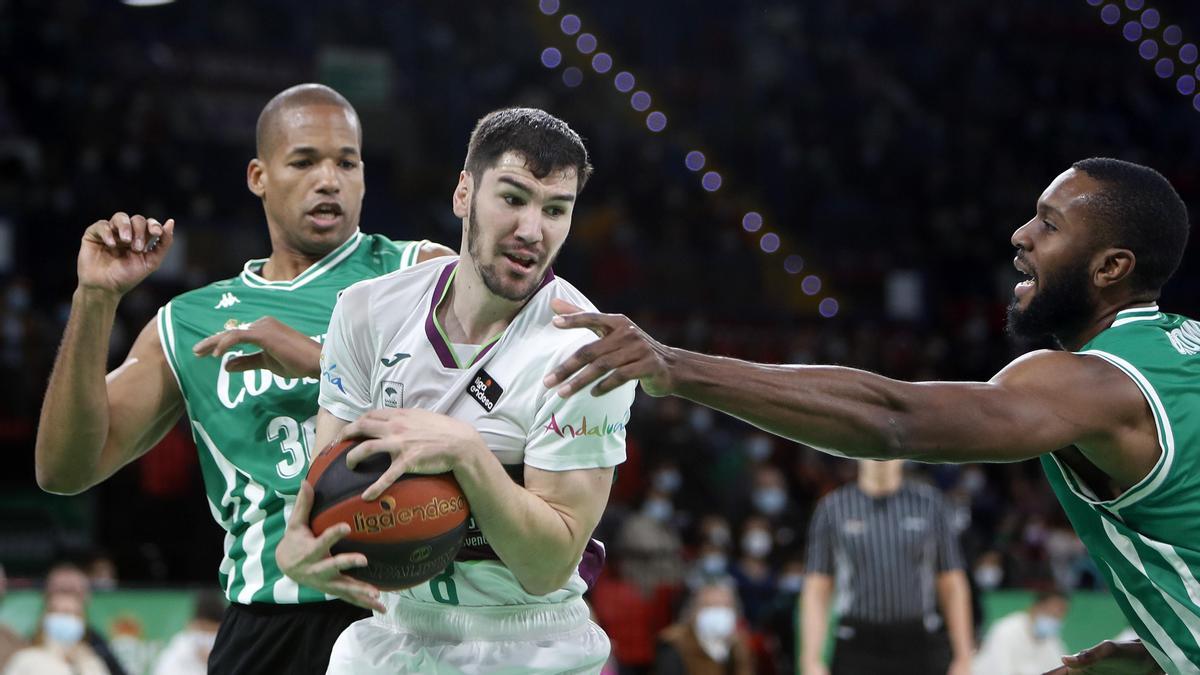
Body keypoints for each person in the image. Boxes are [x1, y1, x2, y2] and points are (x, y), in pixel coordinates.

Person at [544, 157, 1197, 673]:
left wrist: (672, 366)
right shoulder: (1182, 349)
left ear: (1112, 267)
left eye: (1050, 224)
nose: (1021, 235)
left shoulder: (1096, 383)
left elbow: (894, 419)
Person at [34, 83, 452, 674]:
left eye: (346, 163)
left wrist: (316, 357)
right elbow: (63, 469)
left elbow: (492, 407)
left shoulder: (422, 274)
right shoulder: (188, 323)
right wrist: (94, 301)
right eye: (304, 161)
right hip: (266, 627)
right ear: (259, 176)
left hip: (404, 615)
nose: (329, 179)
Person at [276, 107, 637, 673]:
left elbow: (548, 566)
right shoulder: (368, 311)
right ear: (464, 194)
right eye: (513, 198)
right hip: (387, 634)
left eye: (556, 210)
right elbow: (329, 482)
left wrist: (466, 453)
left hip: (525, 644)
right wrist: (298, 547)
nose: (532, 230)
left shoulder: (583, 351)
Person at [801, 459, 973, 675]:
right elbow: (817, 589)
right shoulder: (832, 508)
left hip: (917, 639)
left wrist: (963, 656)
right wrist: (811, 659)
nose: (879, 455)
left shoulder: (931, 504)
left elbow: (952, 584)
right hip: (856, 640)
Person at [654, 578, 754, 675]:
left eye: (724, 606)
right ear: (694, 611)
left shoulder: (738, 647)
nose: (718, 613)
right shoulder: (675, 645)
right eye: (709, 606)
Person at [43, 563, 124, 675]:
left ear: (86, 598)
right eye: (61, 591)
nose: (66, 600)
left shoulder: (97, 648)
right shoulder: (29, 648)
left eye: (73, 592)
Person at [3, 591, 109, 675]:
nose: (65, 618)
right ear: (45, 617)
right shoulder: (26, 659)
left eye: (72, 613)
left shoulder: (92, 663)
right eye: (58, 611)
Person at [973, 589, 1069, 675]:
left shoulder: (1051, 639)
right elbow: (999, 671)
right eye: (1050, 613)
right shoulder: (1006, 630)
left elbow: (1061, 669)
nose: (1053, 619)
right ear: (1035, 607)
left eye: (1057, 616)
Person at [152, 589, 225, 675]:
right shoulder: (181, 644)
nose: (206, 635)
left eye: (212, 630)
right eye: (203, 628)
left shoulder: (225, 644)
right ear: (193, 624)